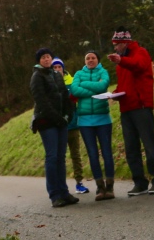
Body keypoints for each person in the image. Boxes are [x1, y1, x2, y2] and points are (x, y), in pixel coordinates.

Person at [107, 26, 154, 196]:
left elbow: (139, 66)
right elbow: (123, 84)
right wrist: (114, 94)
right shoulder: (121, 62)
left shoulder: (140, 52)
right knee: (131, 147)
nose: (115, 48)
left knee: (149, 145)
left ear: (125, 42)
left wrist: (121, 60)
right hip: (126, 108)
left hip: (141, 106)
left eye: (117, 44)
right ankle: (139, 182)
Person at [30, 48, 78, 207]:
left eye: (48, 57)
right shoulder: (37, 77)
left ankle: (64, 192)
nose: (46, 59)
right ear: (39, 60)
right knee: (52, 157)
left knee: (61, 157)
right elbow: (42, 101)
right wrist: (58, 118)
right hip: (47, 122)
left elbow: (65, 95)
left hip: (61, 121)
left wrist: (69, 113)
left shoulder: (57, 75)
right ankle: (55, 195)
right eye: (43, 57)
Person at [70, 51, 116, 200]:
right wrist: (94, 88)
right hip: (84, 121)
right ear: (85, 61)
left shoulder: (103, 71)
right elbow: (74, 90)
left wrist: (85, 85)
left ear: (97, 59)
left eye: (93, 58)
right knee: (92, 154)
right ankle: (100, 187)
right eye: (87, 58)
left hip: (103, 119)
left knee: (107, 153)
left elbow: (103, 86)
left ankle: (110, 186)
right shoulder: (78, 74)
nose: (90, 60)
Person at [52, 58, 89, 194]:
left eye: (59, 67)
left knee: (76, 155)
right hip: (57, 126)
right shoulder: (49, 84)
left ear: (63, 68)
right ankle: (59, 186)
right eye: (54, 67)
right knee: (58, 157)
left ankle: (79, 182)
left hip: (72, 124)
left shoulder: (72, 81)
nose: (57, 70)